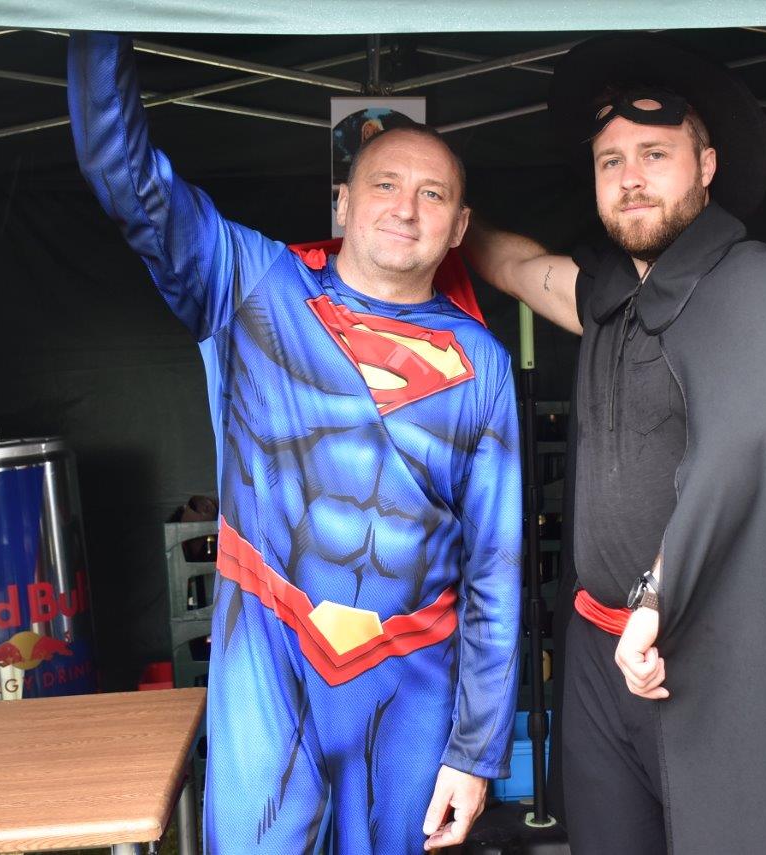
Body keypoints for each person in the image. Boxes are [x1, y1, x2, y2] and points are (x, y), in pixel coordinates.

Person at [67, 32, 522, 854]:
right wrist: (98, 23)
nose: (406, 208)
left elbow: (496, 563)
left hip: (414, 679)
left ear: (459, 227)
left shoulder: (482, 362)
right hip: (270, 652)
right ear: (342, 202)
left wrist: (477, 749)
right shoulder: (251, 285)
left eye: (432, 194)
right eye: (385, 184)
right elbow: (125, 177)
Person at [464, 33, 766, 854]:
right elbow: (519, 268)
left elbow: (743, 445)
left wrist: (658, 598)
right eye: (611, 161)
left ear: (707, 166)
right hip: (598, 654)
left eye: (655, 154)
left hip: (698, 654)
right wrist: (452, 214)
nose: (630, 177)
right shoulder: (609, 294)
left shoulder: (753, 285)